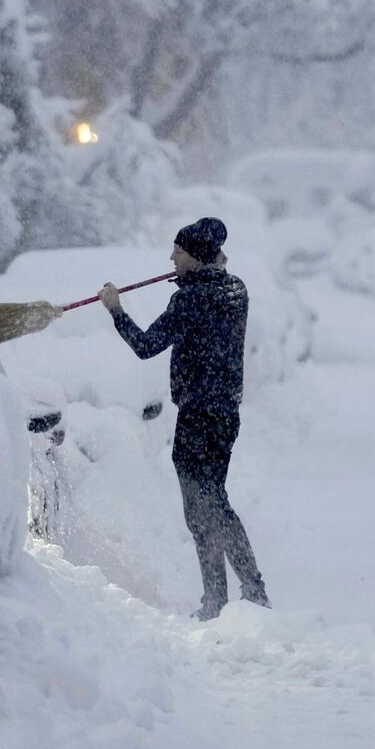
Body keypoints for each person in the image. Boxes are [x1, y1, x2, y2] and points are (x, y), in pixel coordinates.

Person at [100, 217, 269, 620]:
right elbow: (206, 297)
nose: (170, 257)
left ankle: (220, 599)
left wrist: (115, 309)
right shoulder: (234, 289)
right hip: (226, 413)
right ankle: (248, 590)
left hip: (196, 417)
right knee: (216, 501)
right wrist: (187, 279)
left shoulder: (192, 300)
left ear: (194, 255)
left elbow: (145, 345)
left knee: (201, 510)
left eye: (177, 250)